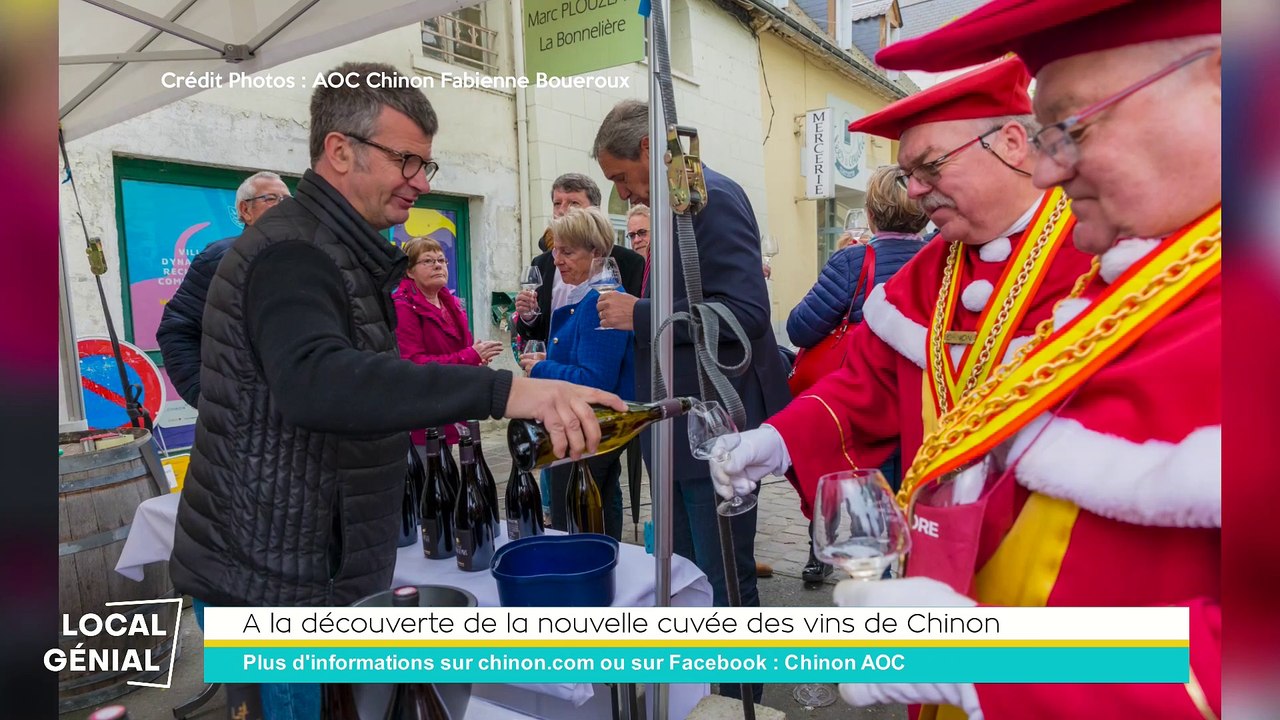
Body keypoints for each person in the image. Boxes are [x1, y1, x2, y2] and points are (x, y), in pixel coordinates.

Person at [169, 61, 623, 720]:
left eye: (426, 165)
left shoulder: (342, 249)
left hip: (311, 564)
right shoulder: (291, 252)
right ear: (339, 151)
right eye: (406, 160)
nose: (419, 182)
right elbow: (320, 382)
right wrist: (505, 392)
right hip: (274, 582)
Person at [813, 1, 1219, 718]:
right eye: (1043, 136)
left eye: (1070, 128)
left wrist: (996, 666)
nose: (1046, 172)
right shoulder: (1144, 278)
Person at [711, 58, 1095, 524]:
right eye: (909, 174)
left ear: (1012, 144)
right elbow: (864, 387)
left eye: (929, 167)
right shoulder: (927, 270)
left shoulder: (1098, 249)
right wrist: (775, 441)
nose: (913, 191)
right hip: (939, 546)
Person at [592, 99, 792, 702]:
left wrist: (643, 313)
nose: (626, 197)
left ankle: (737, 704)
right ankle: (695, 697)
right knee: (684, 580)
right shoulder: (679, 206)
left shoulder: (716, 199)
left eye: (624, 179)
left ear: (651, 151)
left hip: (715, 428)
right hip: (675, 427)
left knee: (726, 585)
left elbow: (750, 314)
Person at [785, 164, 929, 582]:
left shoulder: (853, 261)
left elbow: (799, 328)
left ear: (870, 212)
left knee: (874, 518)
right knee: (920, 512)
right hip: (927, 409)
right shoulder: (945, 258)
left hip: (867, 408)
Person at [520, 206, 635, 539]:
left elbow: (595, 381)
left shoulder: (603, 301)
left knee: (575, 524)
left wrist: (541, 367)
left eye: (567, 251)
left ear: (596, 253)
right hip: (584, 429)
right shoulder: (587, 296)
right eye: (555, 249)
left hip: (587, 430)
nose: (556, 259)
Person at [156, 171, 290, 408]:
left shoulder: (311, 258)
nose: (283, 206)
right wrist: (205, 395)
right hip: (245, 419)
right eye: (271, 199)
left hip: (304, 416)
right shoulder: (219, 260)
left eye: (288, 200)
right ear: (245, 210)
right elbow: (177, 330)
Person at [394, 235, 503, 450]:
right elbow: (413, 363)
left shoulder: (450, 302)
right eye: (428, 261)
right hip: (423, 413)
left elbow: (462, 349)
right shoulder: (403, 306)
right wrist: (469, 356)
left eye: (442, 260)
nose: (438, 265)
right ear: (409, 271)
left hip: (453, 404)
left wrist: (478, 357)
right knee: (428, 475)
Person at [514, 173, 645, 343]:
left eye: (574, 203)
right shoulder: (542, 263)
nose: (562, 210)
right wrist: (529, 316)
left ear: (594, 210)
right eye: (557, 203)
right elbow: (539, 332)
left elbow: (633, 325)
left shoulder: (628, 262)